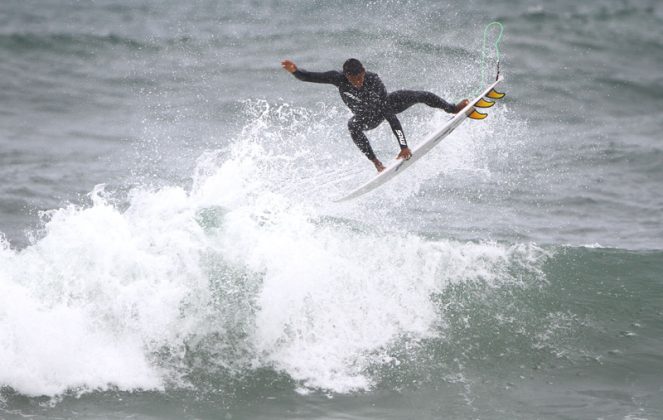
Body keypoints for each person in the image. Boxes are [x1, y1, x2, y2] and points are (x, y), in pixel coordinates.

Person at [281, 58, 469, 172]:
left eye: (360, 78)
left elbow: (390, 116)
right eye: (354, 80)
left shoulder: (373, 81)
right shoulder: (336, 78)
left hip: (384, 106)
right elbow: (311, 77)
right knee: (352, 125)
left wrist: (404, 146)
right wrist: (295, 71)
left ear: (364, 72)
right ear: (346, 75)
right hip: (365, 117)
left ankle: (452, 108)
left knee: (420, 95)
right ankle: (376, 163)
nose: (358, 82)